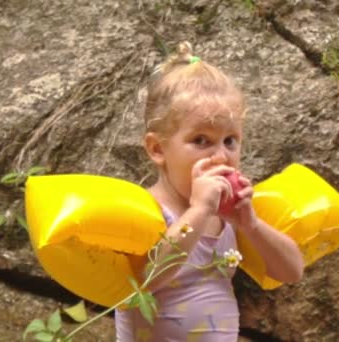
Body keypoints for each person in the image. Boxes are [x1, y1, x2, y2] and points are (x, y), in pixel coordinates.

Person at [115, 41, 305, 342]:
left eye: (230, 141)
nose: (220, 156)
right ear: (157, 148)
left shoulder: (229, 215)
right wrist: (199, 211)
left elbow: (292, 271)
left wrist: (250, 224)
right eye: (201, 141)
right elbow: (145, 280)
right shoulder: (146, 210)